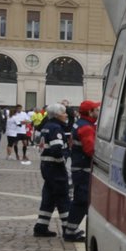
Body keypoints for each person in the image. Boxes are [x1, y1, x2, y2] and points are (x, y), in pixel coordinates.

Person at [33, 103, 73, 238]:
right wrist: (64, 162)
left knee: (49, 197)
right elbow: (57, 150)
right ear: (57, 115)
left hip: (46, 166)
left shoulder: (46, 126)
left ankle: (41, 226)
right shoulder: (56, 128)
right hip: (55, 167)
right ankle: (68, 228)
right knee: (63, 197)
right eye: (64, 112)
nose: (66, 115)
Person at [61, 101, 98, 242]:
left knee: (80, 199)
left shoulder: (80, 123)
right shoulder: (86, 128)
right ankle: (71, 231)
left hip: (78, 167)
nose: (98, 111)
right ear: (90, 112)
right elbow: (90, 150)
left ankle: (71, 229)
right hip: (83, 168)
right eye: (96, 109)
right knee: (81, 200)